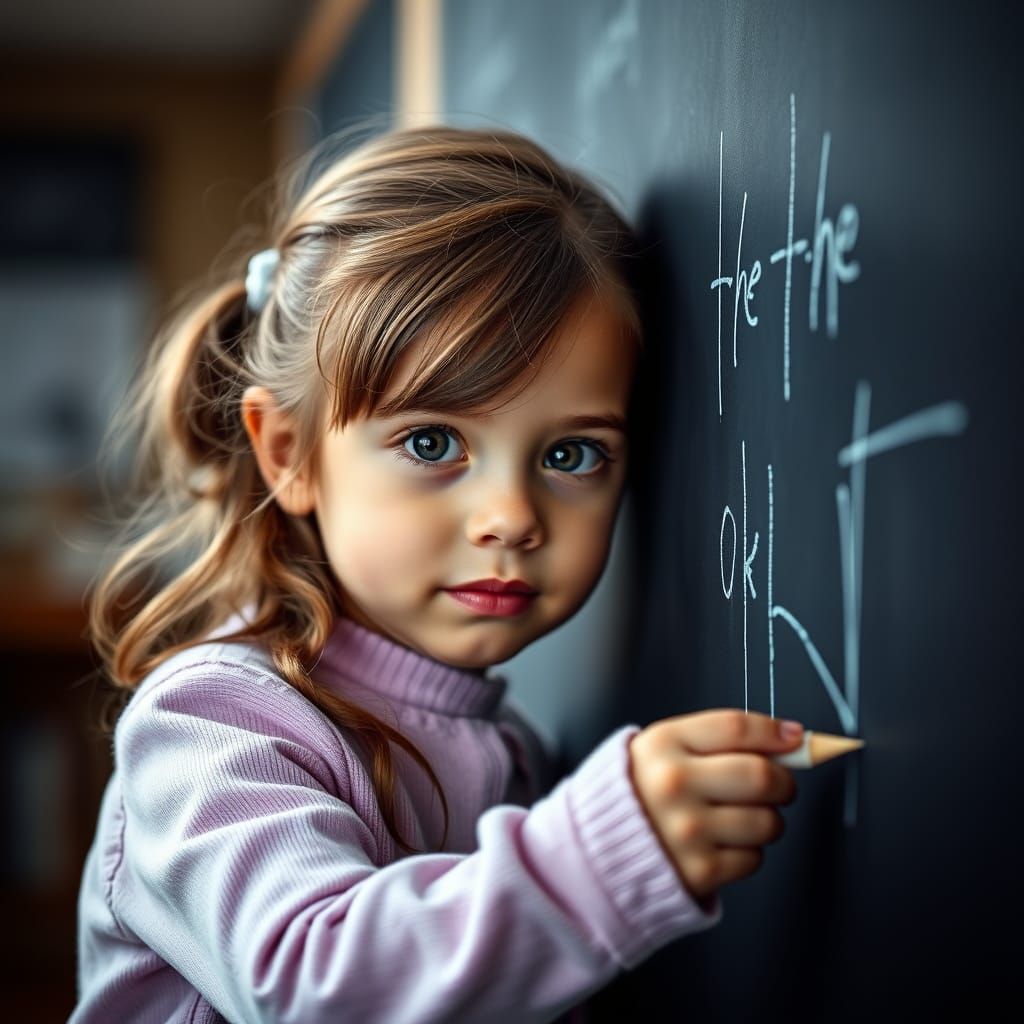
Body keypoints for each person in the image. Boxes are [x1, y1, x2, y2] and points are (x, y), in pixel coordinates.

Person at [71, 125, 804, 1023]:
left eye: (573, 453)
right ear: (290, 454)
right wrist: (600, 863)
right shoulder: (213, 725)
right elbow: (311, 987)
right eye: (432, 442)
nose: (512, 517)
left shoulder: (513, 758)